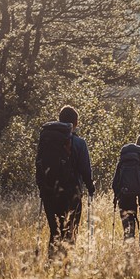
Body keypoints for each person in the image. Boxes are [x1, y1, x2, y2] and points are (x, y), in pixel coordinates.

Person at [36, 105, 95, 260]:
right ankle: (66, 268)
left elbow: (39, 163)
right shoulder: (79, 143)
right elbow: (85, 170)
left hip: (49, 192)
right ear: (75, 122)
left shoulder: (46, 139)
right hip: (71, 194)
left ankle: (51, 264)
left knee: (55, 231)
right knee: (70, 231)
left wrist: (43, 187)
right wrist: (90, 187)